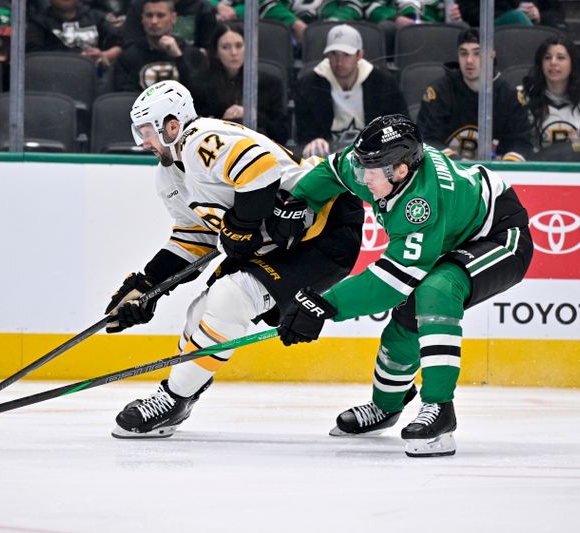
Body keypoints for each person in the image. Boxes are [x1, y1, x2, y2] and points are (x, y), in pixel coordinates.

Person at [105, 80, 364, 439]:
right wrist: (149, 285)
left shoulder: (202, 140)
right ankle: (183, 395)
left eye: (148, 131)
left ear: (172, 125)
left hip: (324, 230)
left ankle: (171, 398)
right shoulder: (169, 175)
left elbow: (259, 168)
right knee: (201, 312)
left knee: (230, 298)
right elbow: (194, 237)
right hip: (280, 243)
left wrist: (241, 227)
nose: (143, 141)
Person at [276, 114, 534, 457]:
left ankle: (440, 409)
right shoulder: (373, 165)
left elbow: (391, 283)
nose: (363, 176)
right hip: (450, 236)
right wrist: (302, 201)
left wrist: (323, 305)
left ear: (400, 171)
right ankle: (386, 407)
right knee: (406, 320)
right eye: (363, 164)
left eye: (373, 170)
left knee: (436, 291)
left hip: (500, 235)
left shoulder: (421, 204)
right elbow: (334, 170)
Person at [416, 28, 534, 161]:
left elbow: (521, 143)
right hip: (448, 175)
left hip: (496, 177)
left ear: (492, 55)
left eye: (477, 53)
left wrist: (506, 165)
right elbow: (427, 139)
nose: (469, 60)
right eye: (463, 53)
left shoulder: (510, 96)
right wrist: (457, 166)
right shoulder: (440, 92)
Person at [295, 23, 408, 159]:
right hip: (326, 157)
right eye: (333, 54)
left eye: (346, 55)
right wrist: (313, 141)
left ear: (359, 54)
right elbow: (303, 133)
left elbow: (401, 125)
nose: (339, 62)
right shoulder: (309, 84)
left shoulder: (383, 82)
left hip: (374, 156)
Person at [522, 35, 580, 159]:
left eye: (561, 58)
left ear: (572, 63)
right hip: (538, 172)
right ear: (540, 64)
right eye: (547, 57)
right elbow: (518, 143)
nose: (553, 62)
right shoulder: (526, 98)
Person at [193, 23, 289, 144]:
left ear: (248, 48)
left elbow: (282, 134)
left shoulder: (270, 83)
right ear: (216, 51)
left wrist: (251, 115)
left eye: (239, 46)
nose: (233, 53)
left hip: (261, 148)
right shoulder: (201, 85)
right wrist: (222, 121)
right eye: (225, 47)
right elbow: (195, 132)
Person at [110, 0, 206, 92]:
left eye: (160, 15)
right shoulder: (127, 58)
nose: (154, 21)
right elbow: (124, 97)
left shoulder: (193, 55)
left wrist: (179, 57)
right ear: (142, 19)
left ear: (173, 18)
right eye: (149, 15)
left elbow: (200, 95)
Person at [26, 0, 123, 69]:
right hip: (54, 75)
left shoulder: (97, 17)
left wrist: (104, 55)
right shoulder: (37, 23)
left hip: (96, 75)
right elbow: (34, 59)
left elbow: (120, 45)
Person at [120, 0, 216, 50]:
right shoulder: (140, 5)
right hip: (145, 60)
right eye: (149, 15)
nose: (154, 21)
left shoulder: (202, 8)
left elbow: (208, 47)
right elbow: (130, 43)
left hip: (188, 63)